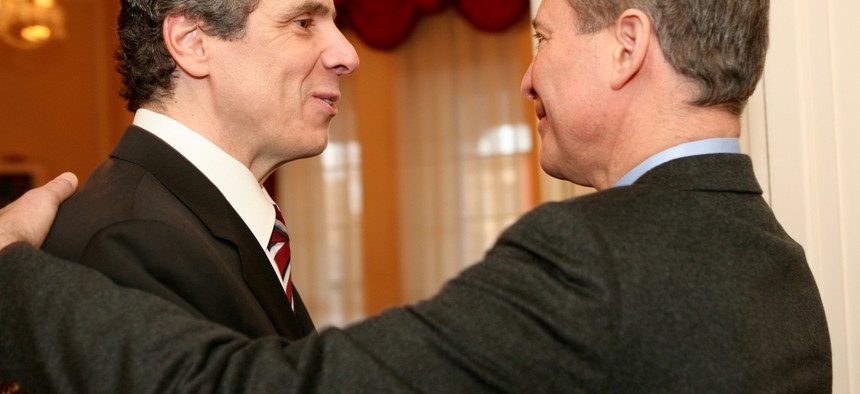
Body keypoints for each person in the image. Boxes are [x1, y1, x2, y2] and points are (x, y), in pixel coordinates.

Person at [0, 0, 832, 392]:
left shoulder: (592, 260)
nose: (527, 73)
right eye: (304, 21)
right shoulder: (780, 267)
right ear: (190, 43)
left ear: (627, 48)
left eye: (541, 34)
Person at [40, 0, 359, 340]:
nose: (347, 55)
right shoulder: (128, 245)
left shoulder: (178, 219)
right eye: (304, 23)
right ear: (192, 42)